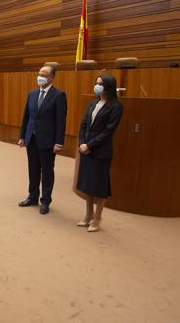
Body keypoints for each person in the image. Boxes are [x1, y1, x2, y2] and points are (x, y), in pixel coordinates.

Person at [76, 75, 124, 232]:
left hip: (101, 151)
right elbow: (84, 124)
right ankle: (88, 214)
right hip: (86, 150)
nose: (97, 86)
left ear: (109, 86)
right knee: (88, 184)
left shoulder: (116, 106)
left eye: (101, 84)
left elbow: (109, 131)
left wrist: (90, 145)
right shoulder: (93, 103)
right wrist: (82, 143)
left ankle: (97, 217)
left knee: (100, 185)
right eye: (96, 83)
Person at [18, 65, 67, 214]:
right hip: (31, 138)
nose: (39, 76)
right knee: (33, 169)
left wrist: (59, 142)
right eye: (39, 73)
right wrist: (22, 136)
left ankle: (45, 201)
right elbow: (26, 117)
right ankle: (32, 196)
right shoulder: (32, 94)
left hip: (48, 140)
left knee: (46, 171)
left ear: (51, 78)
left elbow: (61, 121)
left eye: (43, 74)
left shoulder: (59, 95)